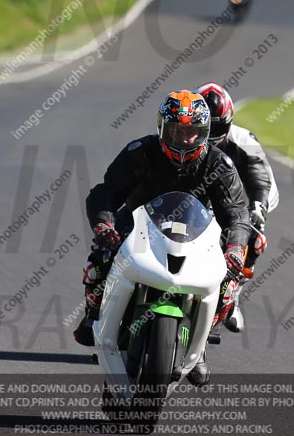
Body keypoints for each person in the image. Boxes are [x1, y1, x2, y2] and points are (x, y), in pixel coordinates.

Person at [73, 89, 251, 385]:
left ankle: (200, 343)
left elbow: (237, 212)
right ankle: (94, 313)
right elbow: (104, 192)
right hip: (138, 224)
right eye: (177, 131)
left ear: (205, 133)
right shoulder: (140, 152)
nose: (185, 139)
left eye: (192, 132)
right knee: (100, 259)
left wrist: (234, 248)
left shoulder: (220, 165)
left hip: (198, 233)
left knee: (228, 282)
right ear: (162, 128)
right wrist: (104, 226)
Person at [196, 82, 279, 332]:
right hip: (191, 200)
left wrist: (257, 208)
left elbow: (260, 177)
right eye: (206, 127)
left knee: (255, 237)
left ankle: (234, 292)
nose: (210, 135)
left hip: (234, 201)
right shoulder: (183, 133)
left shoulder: (244, 139)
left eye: (217, 127)